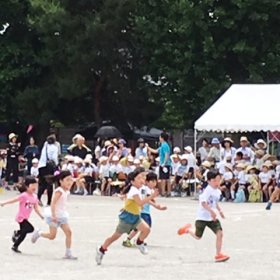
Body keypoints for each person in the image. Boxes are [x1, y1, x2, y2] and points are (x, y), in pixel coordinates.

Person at [95, 167, 159, 265]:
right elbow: (140, 202)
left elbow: (138, 200)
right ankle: (101, 249)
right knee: (114, 237)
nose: (142, 179)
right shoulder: (134, 190)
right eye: (139, 178)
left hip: (136, 216)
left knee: (146, 229)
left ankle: (139, 242)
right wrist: (152, 196)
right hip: (127, 218)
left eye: (142, 177)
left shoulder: (140, 188)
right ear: (133, 181)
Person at [177, 169, 230, 262]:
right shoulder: (207, 190)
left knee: (220, 233)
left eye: (219, 180)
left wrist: (219, 210)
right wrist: (211, 211)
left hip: (212, 218)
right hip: (202, 217)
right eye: (214, 181)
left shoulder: (217, 191)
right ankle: (188, 230)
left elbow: (215, 202)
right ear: (209, 181)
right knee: (198, 236)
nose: (217, 183)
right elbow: (203, 203)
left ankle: (218, 254)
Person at [31, 170, 77, 260]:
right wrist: (53, 215)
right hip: (54, 216)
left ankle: (68, 253)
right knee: (52, 236)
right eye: (67, 180)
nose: (70, 182)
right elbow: (53, 203)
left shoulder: (66, 191)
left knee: (69, 233)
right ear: (61, 181)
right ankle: (39, 233)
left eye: (71, 180)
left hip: (62, 216)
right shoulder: (59, 191)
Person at [0, 176, 44, 253]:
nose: (34, 187)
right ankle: (16, 239)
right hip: (21, 217)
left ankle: (16, 241)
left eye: (35, 185)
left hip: (26, 218)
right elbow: (14, 200)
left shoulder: (35, 196)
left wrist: (41, 216)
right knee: (30, 229)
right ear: (27, 186)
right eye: (32, 185)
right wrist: (4, 203)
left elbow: (36, 208)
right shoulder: (24, 195)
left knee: (24, 232)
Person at [122, 172, 167, 247]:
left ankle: (133, 240)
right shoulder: (145, 189)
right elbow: (147, 199)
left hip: (145, 211)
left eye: (155, 181)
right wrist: (157, 206)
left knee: (141, 227)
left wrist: (156, 204)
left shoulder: (149, 190)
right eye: (152, 181)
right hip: (142, 211)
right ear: (147, 182)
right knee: (145, 227)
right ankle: (136, 240)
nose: (154, 183)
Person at [147, 132, 172, 196]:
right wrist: (148, 147)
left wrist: (164, 163)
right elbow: (155, 151)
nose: (159, 138)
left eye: (160, 137)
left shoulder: (165, 145)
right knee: (165, 178)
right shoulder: (162, 145)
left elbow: (167, 154)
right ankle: (166, 192)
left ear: (162, 138)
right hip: (163, 164)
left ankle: (165, 192)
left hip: (165, 164)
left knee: (165, 179)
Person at [38, 135, 59, 206]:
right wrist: (57, 165)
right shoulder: (55, 148)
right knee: (49, 183)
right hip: (49, 167)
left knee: (42, 183)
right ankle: (49, 201)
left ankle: (38, 198)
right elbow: (54, 158)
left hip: (41, 166)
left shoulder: (45, 146)